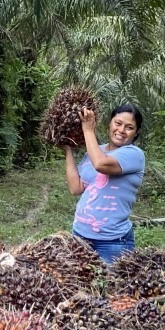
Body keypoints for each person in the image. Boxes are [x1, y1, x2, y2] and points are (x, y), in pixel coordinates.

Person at [62, 104, 146, 264]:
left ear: (137, 132)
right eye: (118, 123)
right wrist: (68, 151)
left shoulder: (134, 154)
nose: (121, 130)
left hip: (112, 242)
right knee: (79, 286)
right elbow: (76, 188)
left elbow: (101, 164)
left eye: (129, 127)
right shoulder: (94, 152)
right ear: (110, 123)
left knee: (113, 288)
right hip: (79, 235)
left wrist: (87, 130)